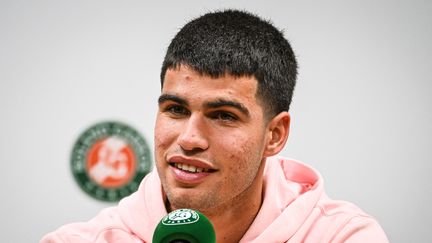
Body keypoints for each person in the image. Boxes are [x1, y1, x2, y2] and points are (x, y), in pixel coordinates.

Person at [41, 9, 389, 243]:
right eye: (175, 109)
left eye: (224, 115)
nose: (189, 139)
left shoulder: (341, 236)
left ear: (275, 134)